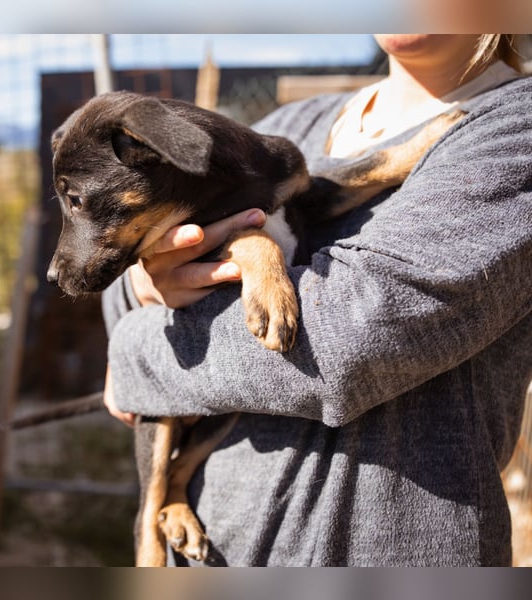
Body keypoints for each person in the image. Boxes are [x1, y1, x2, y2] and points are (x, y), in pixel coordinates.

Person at [101, 35, 532, 566]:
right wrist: (150, 282)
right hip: (213, 549)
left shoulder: (515, 130)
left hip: (387, 552)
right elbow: (130, 283)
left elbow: (344, 343)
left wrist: (135, 354)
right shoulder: (295, 123)